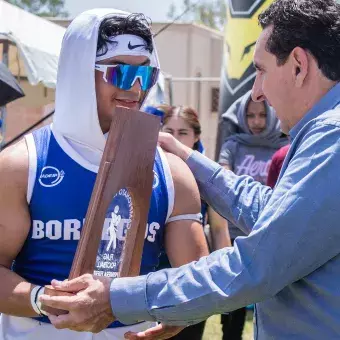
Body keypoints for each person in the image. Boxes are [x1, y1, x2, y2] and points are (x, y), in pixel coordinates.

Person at [40, 0, 340, 339]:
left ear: (298, 65)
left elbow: (255, 266)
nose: (256, 92)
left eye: (260, 70)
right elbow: (273, 214)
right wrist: (189, 158)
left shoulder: (333, 136)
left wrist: (116, 296)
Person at [0, 8, 210, 340]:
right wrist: (44, 300)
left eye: (146, 74)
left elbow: (196, 278)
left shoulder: (172, 172)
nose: (136, 88)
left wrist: (179, 310)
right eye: (121, 74)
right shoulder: (20, 166)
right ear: (79, 73)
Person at [157, 104, 232, 339]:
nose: (173, 138)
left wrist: (228, 281)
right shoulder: (149, 169)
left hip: (191, 277)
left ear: (196, 136)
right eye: (169, 131)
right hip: (151, 276)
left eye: (183, 133)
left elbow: (220, 231)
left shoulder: (207, 176)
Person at [217, 91, 288, 339]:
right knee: (232, 307)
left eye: (261, 115)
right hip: (235, 237)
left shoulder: (285, 148)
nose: (256, 122)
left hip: (270, 235)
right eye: (250, 115)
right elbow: (223, 182)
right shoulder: (233, 145)